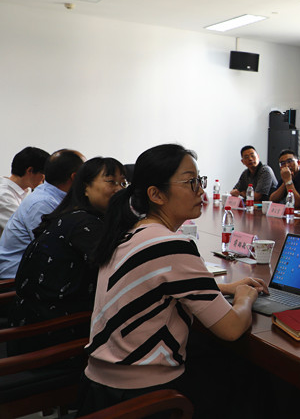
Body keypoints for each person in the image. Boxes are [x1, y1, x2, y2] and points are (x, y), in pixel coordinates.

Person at [77, 144, 265, 417]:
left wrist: (225, 287)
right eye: (191, 182)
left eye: (199, 180)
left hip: (100, 388)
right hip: (146, 395)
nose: (200, 191)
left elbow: (156, 285)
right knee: (252, 379)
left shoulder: (132, 233)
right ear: (156, 194)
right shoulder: (170, 244)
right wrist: (245, 297)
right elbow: (232, 328)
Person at [8, 157, 127, 354]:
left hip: (39, 323)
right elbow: (120, 272)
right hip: (51, 335)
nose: (119, 189)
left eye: (123, 183)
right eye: (111, 181)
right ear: (85, 187)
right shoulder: (84, 225)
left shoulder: (78, 216)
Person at [0, 149, 85, 279]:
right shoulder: (41, 203)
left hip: (33, 268)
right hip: (16, 274)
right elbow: (51, 247)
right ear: (74, 177)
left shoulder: (44, 195)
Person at [0, 146, 50, 236]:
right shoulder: (4, 196)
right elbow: (23, 229)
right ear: (30, 170)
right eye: (43, 173)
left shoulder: (23, 192)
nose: (44, 178)